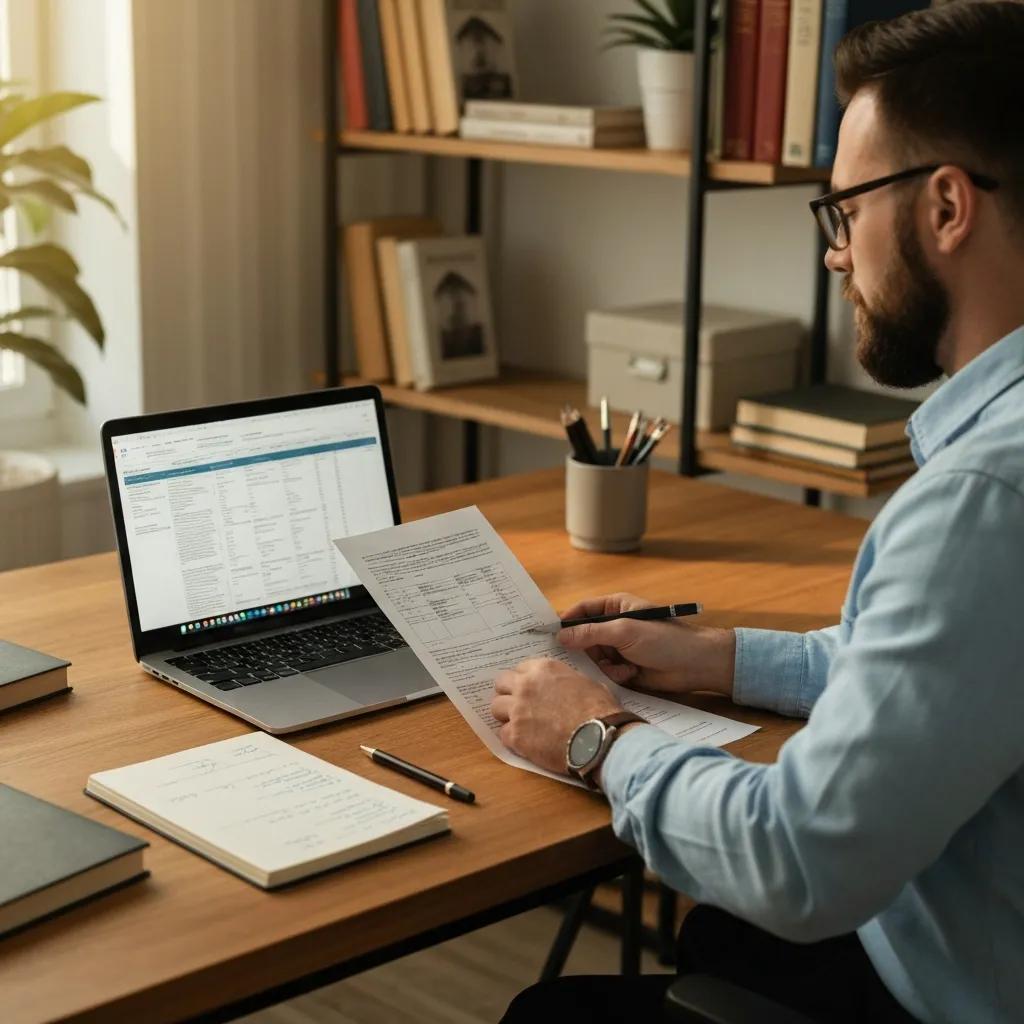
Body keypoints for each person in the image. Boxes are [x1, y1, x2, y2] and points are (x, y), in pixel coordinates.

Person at [492, 4, 1024, 1022]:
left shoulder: (979, 504)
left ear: (946, 207)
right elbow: (942, 673)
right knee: (716, 934)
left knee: (552, 1014)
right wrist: (718, 657)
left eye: (845, 212)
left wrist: (596, 738)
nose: (835, 257)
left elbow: (797, 861)